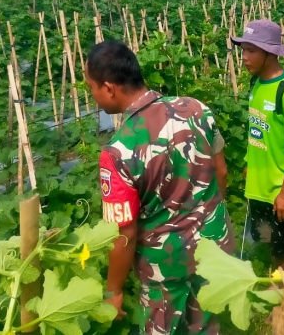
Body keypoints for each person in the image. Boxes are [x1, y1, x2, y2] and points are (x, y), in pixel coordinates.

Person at [84, 40, 235, 334]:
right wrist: (208, 219)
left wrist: (113, 291)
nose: (93, 96)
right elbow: (221, 170)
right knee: (208, 325)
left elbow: (124, 233)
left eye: (92, 88)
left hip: (165, 268)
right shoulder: (196, 109)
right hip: (215, 248)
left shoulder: (118, 153)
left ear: (109, 87)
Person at [232, 19, 284, 272]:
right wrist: (248, 163)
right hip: (260, 189)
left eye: (251, 51)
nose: (244, 57)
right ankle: (277, 296)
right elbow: (257, 131)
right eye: (243, 50)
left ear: (270, 53)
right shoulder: (256, 85)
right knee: (269, 244)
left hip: (282, 192)